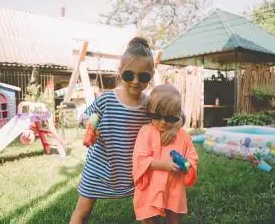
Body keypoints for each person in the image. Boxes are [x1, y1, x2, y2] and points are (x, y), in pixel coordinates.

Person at [69, 37, 177, 224]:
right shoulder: (107, 99)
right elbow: (86, 116)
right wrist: (90, 125)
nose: (136, 81)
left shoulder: (150, 104)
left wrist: (174, 128)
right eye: (129, 75)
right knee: (82, 212)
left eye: (143, 77)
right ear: (120, 72)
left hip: (134, 170)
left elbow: (177, 114)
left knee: (148, 212)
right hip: (100, 167)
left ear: (151, 75)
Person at [132, 84, 199, 224]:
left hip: (174, 187)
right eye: (156, 116)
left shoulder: (183, 136)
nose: (163, 122)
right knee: (149, 218)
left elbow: (192, 157)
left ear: (177, 115)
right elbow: (140, 159)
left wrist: (188, 166)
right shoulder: (145, 132)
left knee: (174, 218)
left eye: (170, 118)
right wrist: (164, 164)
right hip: (150, 187)